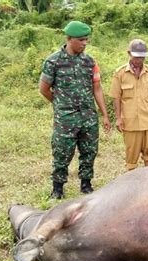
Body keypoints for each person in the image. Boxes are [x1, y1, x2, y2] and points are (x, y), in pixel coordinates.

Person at [39, 21, 111, 199]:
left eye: (86, 39)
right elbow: (44, 89)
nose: (85, 43)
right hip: (65, 119)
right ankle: (57, 189)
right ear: (69, 39)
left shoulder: (89, 61)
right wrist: (60, 105)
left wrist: (105, 114)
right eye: (81, 40)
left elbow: (97, 88)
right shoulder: (54, 61)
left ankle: (86, 184)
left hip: (88, 117)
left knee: (89, 151)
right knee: (62, 152)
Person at [109, 39, 148, 171]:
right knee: (131, 159)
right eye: (136, 57)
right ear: (129, 53)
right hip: (130, 122)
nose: (139, 60)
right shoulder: (120, 73)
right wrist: (119, 118)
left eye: (142, 57)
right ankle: (132, 186)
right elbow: (116, 97)